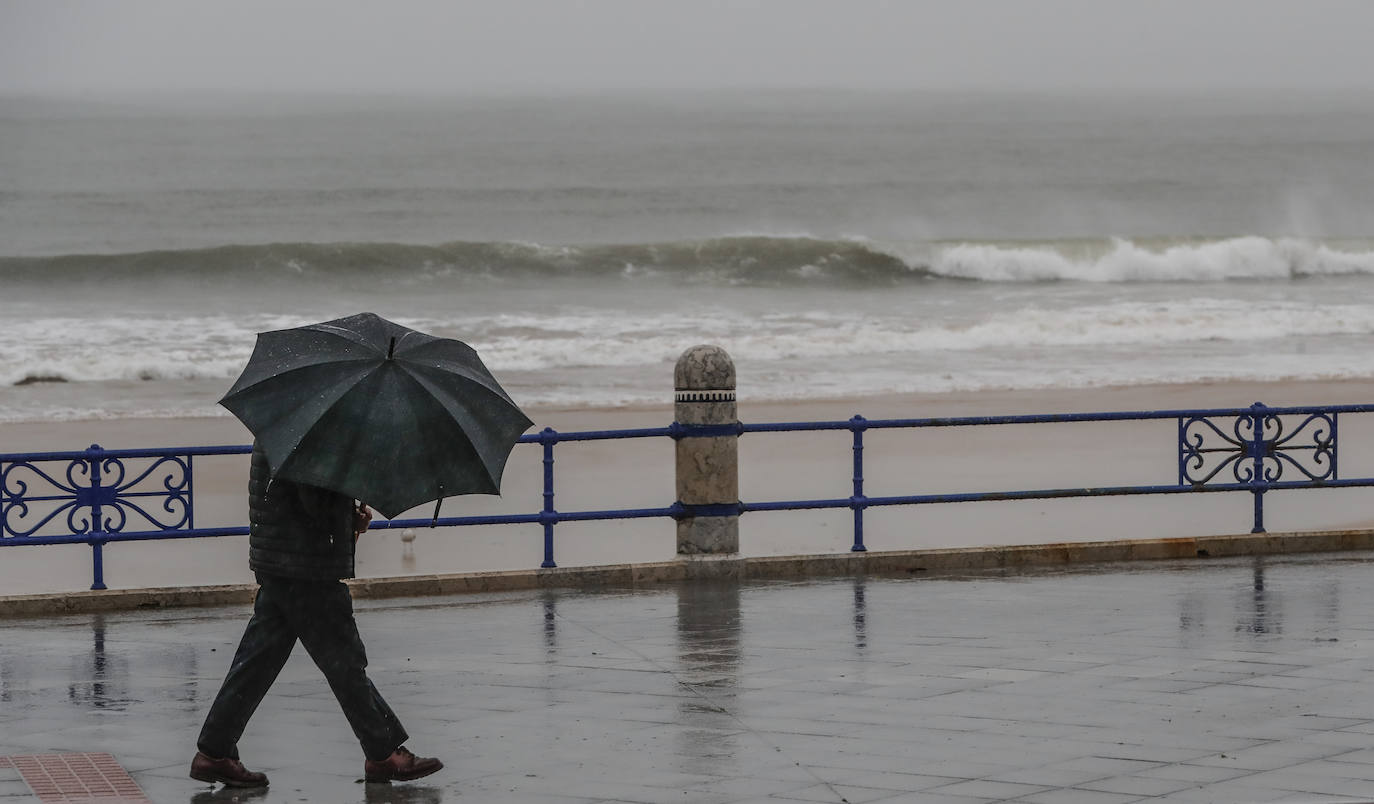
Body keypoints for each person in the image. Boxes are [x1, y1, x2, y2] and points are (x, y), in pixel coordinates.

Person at [190, 442, 442, 788]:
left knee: (257, 662)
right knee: (345, 662)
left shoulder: (285, 426)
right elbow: (316, 503)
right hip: (306, 566)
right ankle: (383, 752)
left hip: (282, 558)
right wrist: (351, 514)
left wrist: (348, 513)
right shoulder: (309, 439)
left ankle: (214, 752)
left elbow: (300, 497)